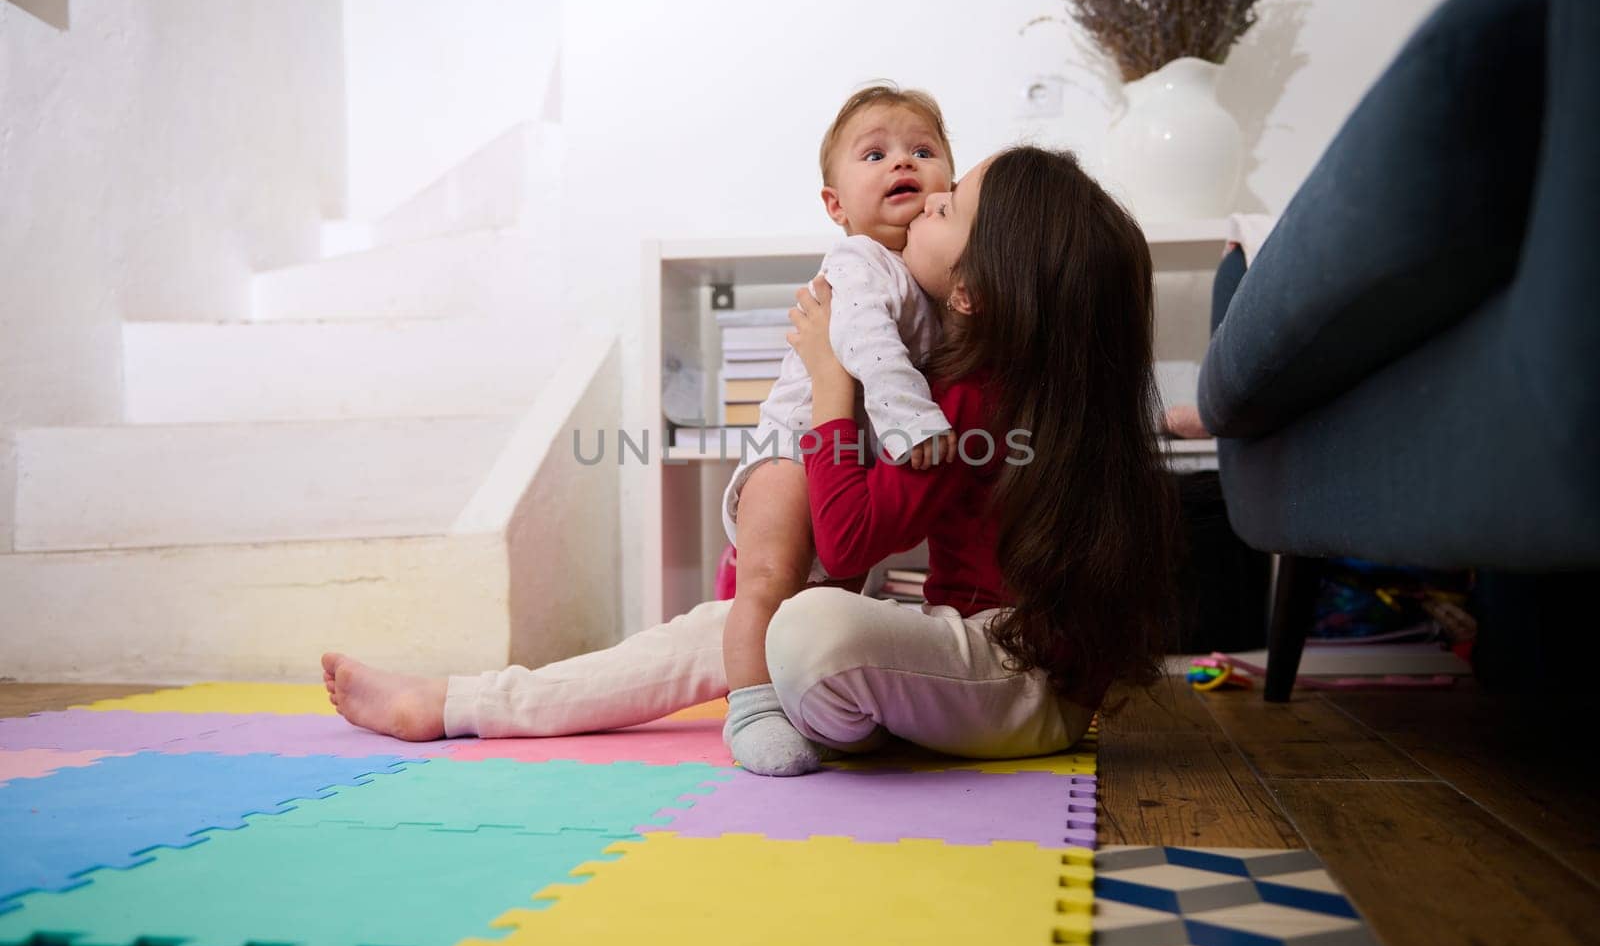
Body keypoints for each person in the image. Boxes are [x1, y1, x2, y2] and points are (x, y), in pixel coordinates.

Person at [321, 145, 1180, 776]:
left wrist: (831, 379)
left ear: (972, 293)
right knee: (733, 626)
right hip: (991, 661)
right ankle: (460, 703)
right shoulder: (998, 385)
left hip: (1018, 682)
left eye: (947, 206)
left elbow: (845, 546)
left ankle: (843, 721)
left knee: (806, 625)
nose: (925, 204)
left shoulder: (956, 409)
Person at [719, 84, 959, 775]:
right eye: (875, 153)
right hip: (791, 450)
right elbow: (860, 340)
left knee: (836, 597)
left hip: (846, 462)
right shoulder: (860, 261)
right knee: (766, 579)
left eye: (922, 150)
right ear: (836, 206)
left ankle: (810, 701)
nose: (901, 163)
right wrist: (913, 419)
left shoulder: (928, 276)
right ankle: (752, 710)